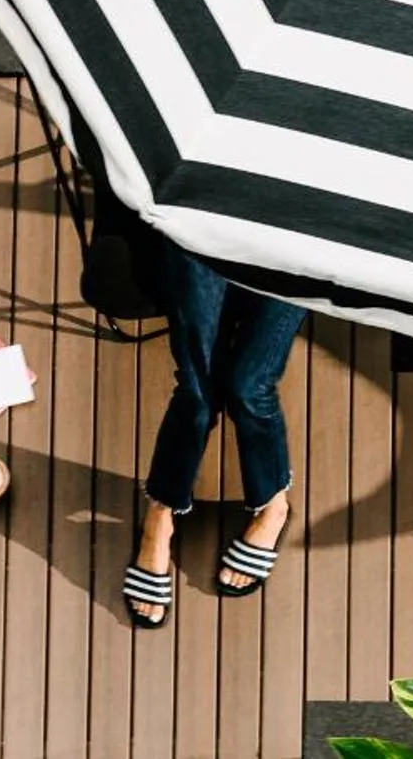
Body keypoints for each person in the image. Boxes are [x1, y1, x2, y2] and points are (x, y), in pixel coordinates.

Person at [120, 234, 308, 629]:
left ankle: (274, 503)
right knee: (197, 392)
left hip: (297, 228)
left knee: (249, 386)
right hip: (203, 219)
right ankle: (161, 515)